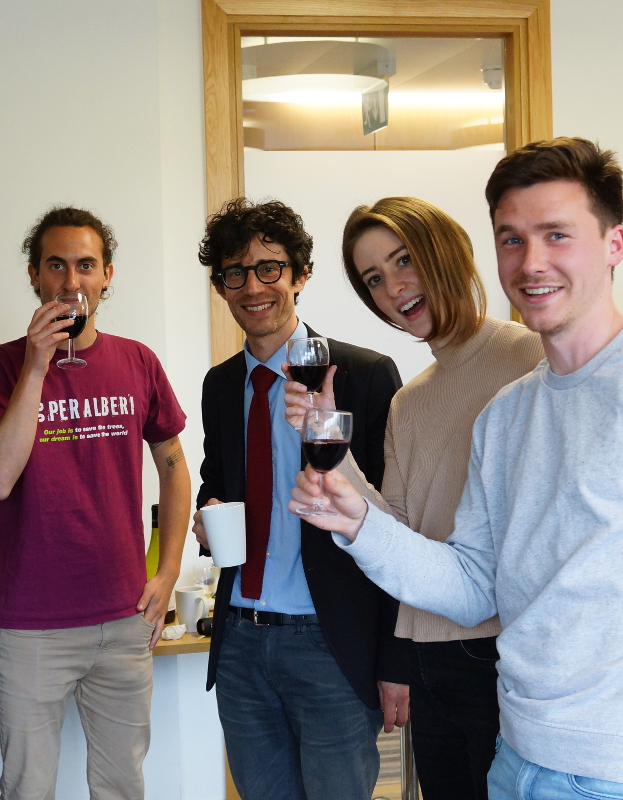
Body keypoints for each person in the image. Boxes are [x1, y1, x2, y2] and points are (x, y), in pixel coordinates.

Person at [291, 138, 623, 794]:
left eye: (557, 234)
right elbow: (469, 578)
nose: (532, 261)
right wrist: (357, 524)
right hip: (519, 757)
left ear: (614, 244)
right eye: (512, 239)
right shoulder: (507, 413)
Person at [284, 197, 543, 800]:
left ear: (445, 251)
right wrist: (332, 437)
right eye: (374, 279)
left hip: (503, 653)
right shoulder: (410, 399)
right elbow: (395, 528)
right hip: (431, 654)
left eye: (403, 261)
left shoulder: (528, 359)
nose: (394, 288)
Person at [0, 206, 190, 800]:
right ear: (36, 277)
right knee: (27, 789)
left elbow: (173, 469)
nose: (71, 282)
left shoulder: (138, 361)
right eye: (57, 266)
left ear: (107, 275)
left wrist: (166, 571)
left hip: (124, 619)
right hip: (33, 623)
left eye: (85, 266)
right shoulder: (0, 365)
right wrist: (38, 367)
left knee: (121, 787)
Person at [192, 198, 406, 800]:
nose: (253, 286)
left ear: (300, 275)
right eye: (235, 273)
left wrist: (395, 662)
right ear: (221, 286)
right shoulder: (221, 384)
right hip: (240, 640)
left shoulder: (363, 375)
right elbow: (219, 478)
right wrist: (208, 514)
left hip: (330, 643)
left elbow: (396, 521)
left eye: (270, 268)